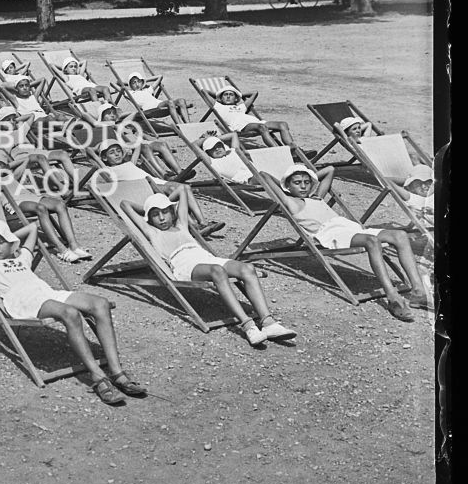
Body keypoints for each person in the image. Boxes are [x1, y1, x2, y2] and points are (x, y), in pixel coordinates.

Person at [0, 220, 147, 405]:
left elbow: (32, 228)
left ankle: (117, 372)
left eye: (0, 242)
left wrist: (7, 236)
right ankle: (98, 376)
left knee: (101, 304)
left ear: (10, 241)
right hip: (24, 300)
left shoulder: (21, 257)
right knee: (70, 313)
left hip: (47, 293)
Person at [123, 191, 297, 347]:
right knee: (217, 271)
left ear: (172, 212)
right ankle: (248, 325)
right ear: (149, 218)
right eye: (155, 214)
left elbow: (182, 189)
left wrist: (161, 202)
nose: (161, 218)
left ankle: (268, 323)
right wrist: (149, 206)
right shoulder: (152, 232)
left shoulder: (182, 225)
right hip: (185, 265)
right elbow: (124, 204)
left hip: (206, 258)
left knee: (247, 268)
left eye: (165, 212)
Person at [262, 163, 428, 321]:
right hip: (332, 233)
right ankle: (392, 296)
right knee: (372, 241)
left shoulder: (317, 197)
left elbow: (330, 169)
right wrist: (284, 184)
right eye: (297, 183)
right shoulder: (290, 202)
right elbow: (263, 175)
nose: (303, 186)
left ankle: (418, 291)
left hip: (351, 228)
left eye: (307, 182)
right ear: (288, 186)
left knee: (400, 235)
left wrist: (307, 177)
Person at [0, 148, 92, 262]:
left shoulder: (12, 176)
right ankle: (62, 249)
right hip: (14, 202)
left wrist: (7, 166)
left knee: (60, 204)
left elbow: (25, 159)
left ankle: (74, 246)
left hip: (30, 196)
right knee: (40, 208)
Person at [94, 139, 224, 235]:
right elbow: (93, 155)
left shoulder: (130, 163)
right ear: (104, 157)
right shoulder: (108, 170)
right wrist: (94, 149)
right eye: (112, 153)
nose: (117, 154)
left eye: (118, 151)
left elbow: (138, 145)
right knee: (178, 190)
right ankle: (194, 225)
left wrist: (124, 145)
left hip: (158, 182)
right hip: (148, 187)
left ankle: (202, 223)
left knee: (185, 188)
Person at [212, 86, 295, 149]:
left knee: (282, 124)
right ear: (221, 98)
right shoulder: (218, 106)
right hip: (240, 126)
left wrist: (239, 95)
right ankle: (279, 150)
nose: (228, 96)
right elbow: (205, 92)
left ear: (236, 98)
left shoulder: (241, 106)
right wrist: (218, 96)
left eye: (231, 95)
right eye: (225, 95)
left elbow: (254, 93)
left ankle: (293, 149)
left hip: (256, 122)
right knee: (262, 127)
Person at [121, 71, 188, 125]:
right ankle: (180, 126)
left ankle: (188, 125)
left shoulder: (147, 90)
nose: (137, 84)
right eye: (134, 83)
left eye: (139, 81)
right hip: (151, 109)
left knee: (181, 100)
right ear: (130, 85)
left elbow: (160, 76)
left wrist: (144, 80)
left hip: (160, 104)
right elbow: (117, 83)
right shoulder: (129, 93)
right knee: (170, 102)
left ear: (142, 82)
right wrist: (128, 84)